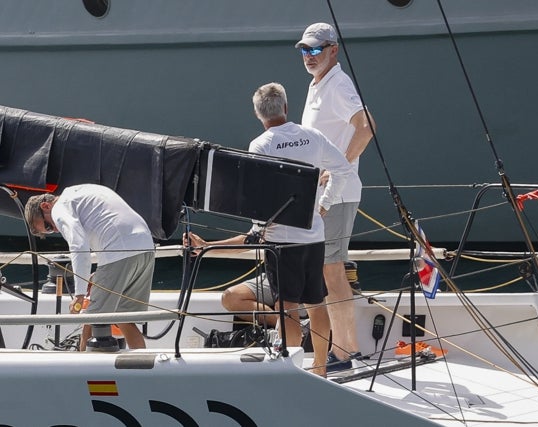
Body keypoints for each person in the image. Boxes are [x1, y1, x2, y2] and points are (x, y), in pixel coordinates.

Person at [185, 82, 351, 377]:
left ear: (258, 114)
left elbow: (258, 198)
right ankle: (321, 368)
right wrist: (324, 205)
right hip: (314, 237)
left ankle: (291, 370)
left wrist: (259, 227)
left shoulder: (260, 145)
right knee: (316, 303)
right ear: (286, 107)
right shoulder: (312, 136)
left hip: (282, 243)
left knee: (286, 306)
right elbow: (342, 169)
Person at [296, 22, 376, 371]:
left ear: (333, 50)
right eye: (304, 50)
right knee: (328, 270)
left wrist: (338, 167)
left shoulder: (338, 85)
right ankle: (345, 348)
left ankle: (345, 352)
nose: (309, 57)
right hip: (322, 194)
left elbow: (367, 125)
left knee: (332, 270)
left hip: (338, 194)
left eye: (315, 50)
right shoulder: (319, 85)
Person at [24, 184, 155, 351]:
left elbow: (78, 246)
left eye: (49, 226)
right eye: (51, 231)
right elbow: (106, 222)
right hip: (145, 246)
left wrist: (79, 293)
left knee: (93, 316)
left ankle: (81, 362)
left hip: (119, 252)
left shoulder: (60, 207)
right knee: (125, 317)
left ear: (46, 206)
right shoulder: (80, 192)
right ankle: (141, 369)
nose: (56, 229)